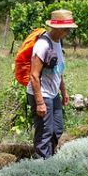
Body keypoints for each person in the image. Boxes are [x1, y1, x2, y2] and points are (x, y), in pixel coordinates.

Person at [27, 9, 77, 159]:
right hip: (41, 95)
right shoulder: (43, 45)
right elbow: (34, 76)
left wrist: (64, 92)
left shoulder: (58, 42)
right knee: (44, 133)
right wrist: (40, 102)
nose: (68, 33)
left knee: (57, 130)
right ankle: (41, 167)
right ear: (57, 28)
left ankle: (50, 159)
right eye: (66, 29)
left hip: (53, 94)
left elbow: (58, 70)